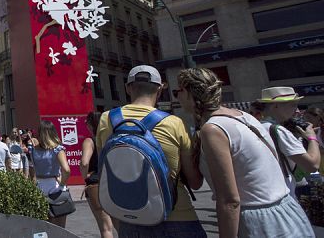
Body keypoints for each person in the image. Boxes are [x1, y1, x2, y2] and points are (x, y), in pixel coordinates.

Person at [176, 68, 314, 237]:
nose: (177, 96)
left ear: (190, 93)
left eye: (179, 91)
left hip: (259, 221)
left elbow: (229, 201)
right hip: (289, 211)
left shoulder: (212, 129)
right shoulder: (244, 116)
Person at [96, 65, 204, 237]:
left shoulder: (106, 119)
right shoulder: (174, 123)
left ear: (127, 88)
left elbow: (105, 166)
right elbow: (195, 182)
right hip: (177, 216)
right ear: (160, 89)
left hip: (131, 219)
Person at [258, 86, 321, 198]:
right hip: (285, 195)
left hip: (267, 192)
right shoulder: (279, 131)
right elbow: (312, 165)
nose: (297, 110)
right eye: (293, 105)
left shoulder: (257, 126)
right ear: (276, 105)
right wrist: (312, 138)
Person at [31, 120, 72, 227]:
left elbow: (32, 171)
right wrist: (62, 184)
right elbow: (66, 170)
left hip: (39, 187)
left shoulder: (33, 150)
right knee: (60, 227)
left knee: (44, 227)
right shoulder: (57, 149)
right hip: (55, 186)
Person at [80, 112, 113, 238]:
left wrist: (86, 177)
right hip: (112, 182)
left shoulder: (90, 141)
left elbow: (84, 163)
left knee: (105, 227)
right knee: (118, 224)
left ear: (90, 124)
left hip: (96, 183)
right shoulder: (110, 139)